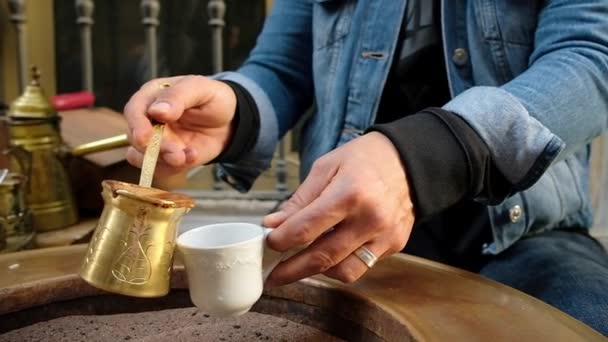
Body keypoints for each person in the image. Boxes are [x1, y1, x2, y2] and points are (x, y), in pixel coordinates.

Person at [124, 0, 608, 335]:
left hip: (528, 236)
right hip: (328, 228)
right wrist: (234, 109)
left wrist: (426, 156)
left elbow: (590, 57)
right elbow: (279, 70)